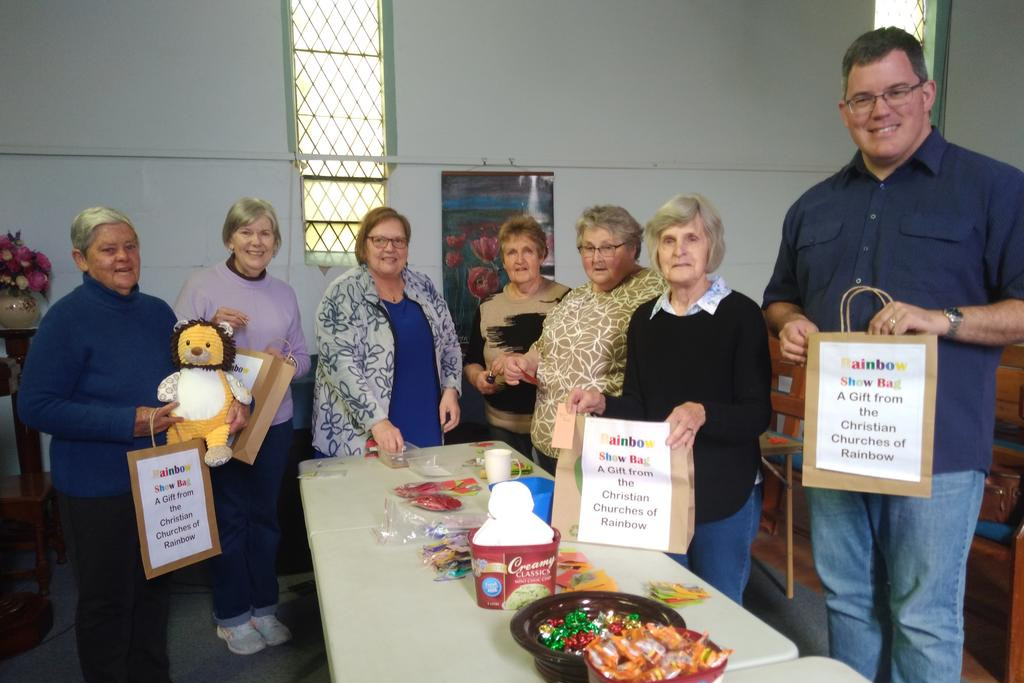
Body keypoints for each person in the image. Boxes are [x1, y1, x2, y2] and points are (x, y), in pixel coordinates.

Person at [763, 27, 1024, 683]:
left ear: (927, 93)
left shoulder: (995, 189)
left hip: (939, 452)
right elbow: (780, 297)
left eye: (896, 91)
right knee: (848, 603)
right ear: (843, 109)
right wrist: (791, 323)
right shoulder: (813, 206)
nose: (879, 110)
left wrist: (945, 319)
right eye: (862, 98)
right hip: (841, 441)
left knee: (924, 617)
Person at [18, 207, 227, 682]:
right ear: (81, 259)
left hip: (160, 478)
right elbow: (37, 406)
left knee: (155, 593)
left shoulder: (156, 312)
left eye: (129, 246)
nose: (123, 258)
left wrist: (226, 404)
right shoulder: (65, 320)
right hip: (97, 486)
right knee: (107, 602)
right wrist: (124, 422)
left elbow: (185, 380)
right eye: (108, 250)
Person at [569, 194, 770, 604]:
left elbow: (757, 415)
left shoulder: (742, 315)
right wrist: (603, 403)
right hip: (658, 488)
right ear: (657, 251)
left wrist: (703, 412)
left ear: (710, 247)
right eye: (668, 240)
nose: (680, 250)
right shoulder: (645, 320)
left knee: (720, 608)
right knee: (663, 604)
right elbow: (641, 407)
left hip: (723, 488)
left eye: (691, 239)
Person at [174, 197, 310, 655]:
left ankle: (265, 608)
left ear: (276, 242)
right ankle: (232, 614)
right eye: (246, 232)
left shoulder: (285, 292)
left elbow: (303, 358)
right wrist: (210, 328)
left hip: (274, 420)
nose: (256, 241)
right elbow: (176, 352)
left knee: (265, 518)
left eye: (266, 233)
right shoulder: (203, 285)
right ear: (229, 237)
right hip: (222, 423)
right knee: (230, 517)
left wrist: (285, 360)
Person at [502, 205, 664, 473]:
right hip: (552, 442)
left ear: (633, 247)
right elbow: (544, 347)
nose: (596, 257)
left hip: (606, 450)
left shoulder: (655, 293)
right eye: (588, 248)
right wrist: (525, 362)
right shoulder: (577, 295)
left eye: (607, 247)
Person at [313, 206, 461, 457]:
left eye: (398, 241)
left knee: (424, 495)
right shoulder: (342, 292)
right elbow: (339, 363)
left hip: (423, 418)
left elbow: (450, 344)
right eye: (379, 240)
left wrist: (451, 389)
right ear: (364, 245)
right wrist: (377, 422)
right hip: (362, 431)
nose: (389, 248)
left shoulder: (423, 285)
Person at [463, 215, 569, 457]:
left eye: (528, 251)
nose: (519, 260)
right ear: (503, 259)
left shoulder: (566, 300)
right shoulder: (488, 305)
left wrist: (523, 360)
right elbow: (471, 361)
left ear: (542, 255)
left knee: (553, 493)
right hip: (500, 430)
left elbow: (574, 364)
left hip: (554, 427)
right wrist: (478, 377)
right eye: (511, 253)